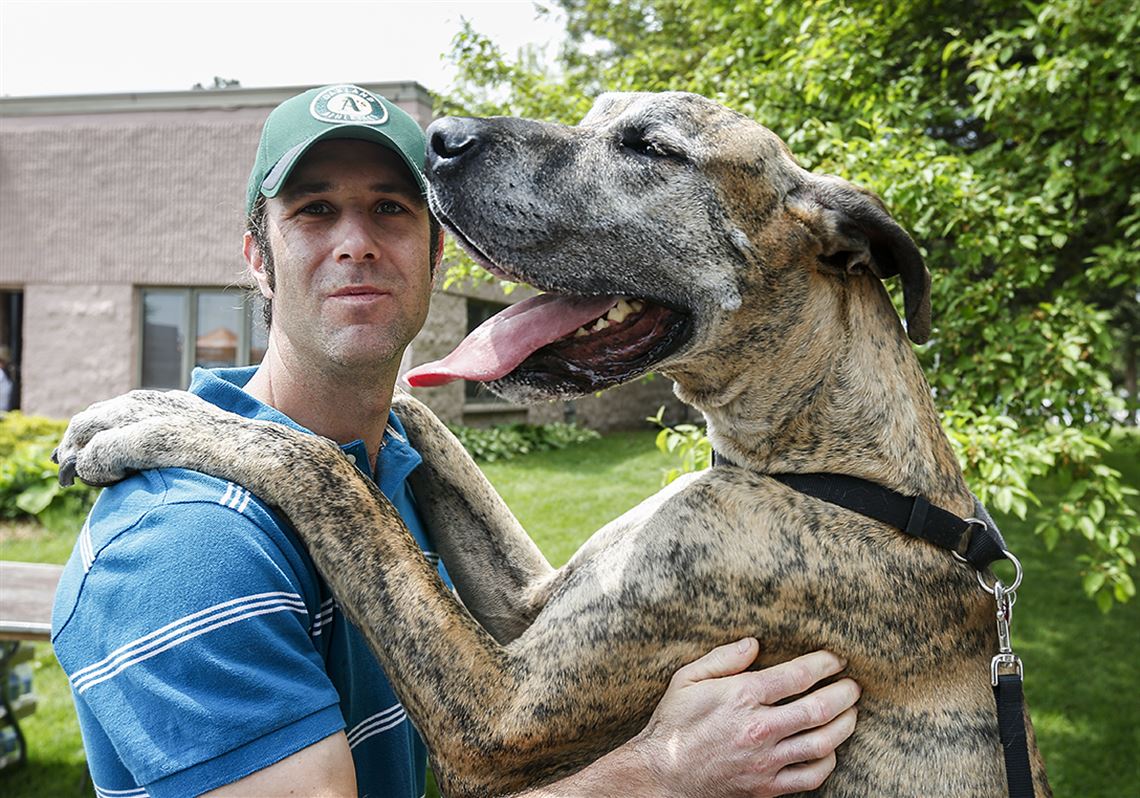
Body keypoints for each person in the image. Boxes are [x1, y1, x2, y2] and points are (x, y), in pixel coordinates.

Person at [51, 84, 859, 798]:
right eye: (314, 210)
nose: (357, 242)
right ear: (258, 258)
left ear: (438, 254)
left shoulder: (394, 468)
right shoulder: (185, 543)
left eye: (392, 210)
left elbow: (525, 644)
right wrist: (663, 772)